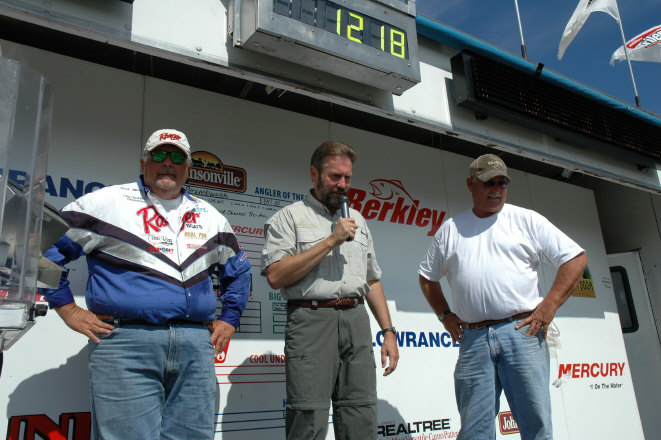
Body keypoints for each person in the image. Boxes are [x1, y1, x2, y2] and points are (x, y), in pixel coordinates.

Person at [41, 129, 251, 440]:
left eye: (176, 156)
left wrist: (230, 318)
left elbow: (239, 272)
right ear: (144, 162)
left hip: (195, 345)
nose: (168, 162)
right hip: (126, 343)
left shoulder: (209, 216)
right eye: (159, 155)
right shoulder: (105, 203)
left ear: (188, 167)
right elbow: (45, 252)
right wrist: (68, 309)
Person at [418, 154, 588, 440]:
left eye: (502, 183)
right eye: (489, 183)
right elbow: (427, 277)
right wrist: (445, 316)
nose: (496, 190)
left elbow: (575, 258)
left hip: (522, 332)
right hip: (473, 339)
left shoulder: (526, 219)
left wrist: (549, 305)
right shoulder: (451, 229)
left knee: (536, 426)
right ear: (471, 184)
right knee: (474, 429)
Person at [261, 141, 399, 440]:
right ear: (314, 174)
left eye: (347, 178)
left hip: (356, 319)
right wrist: (330, 241)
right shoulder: (289, 217)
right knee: (307, 417)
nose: (343, 185)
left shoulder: (357, 219)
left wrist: (388, 331)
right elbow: (276, 275)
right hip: (311, 320)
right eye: (335, 176)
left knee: (361, 414)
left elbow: (372, 279)